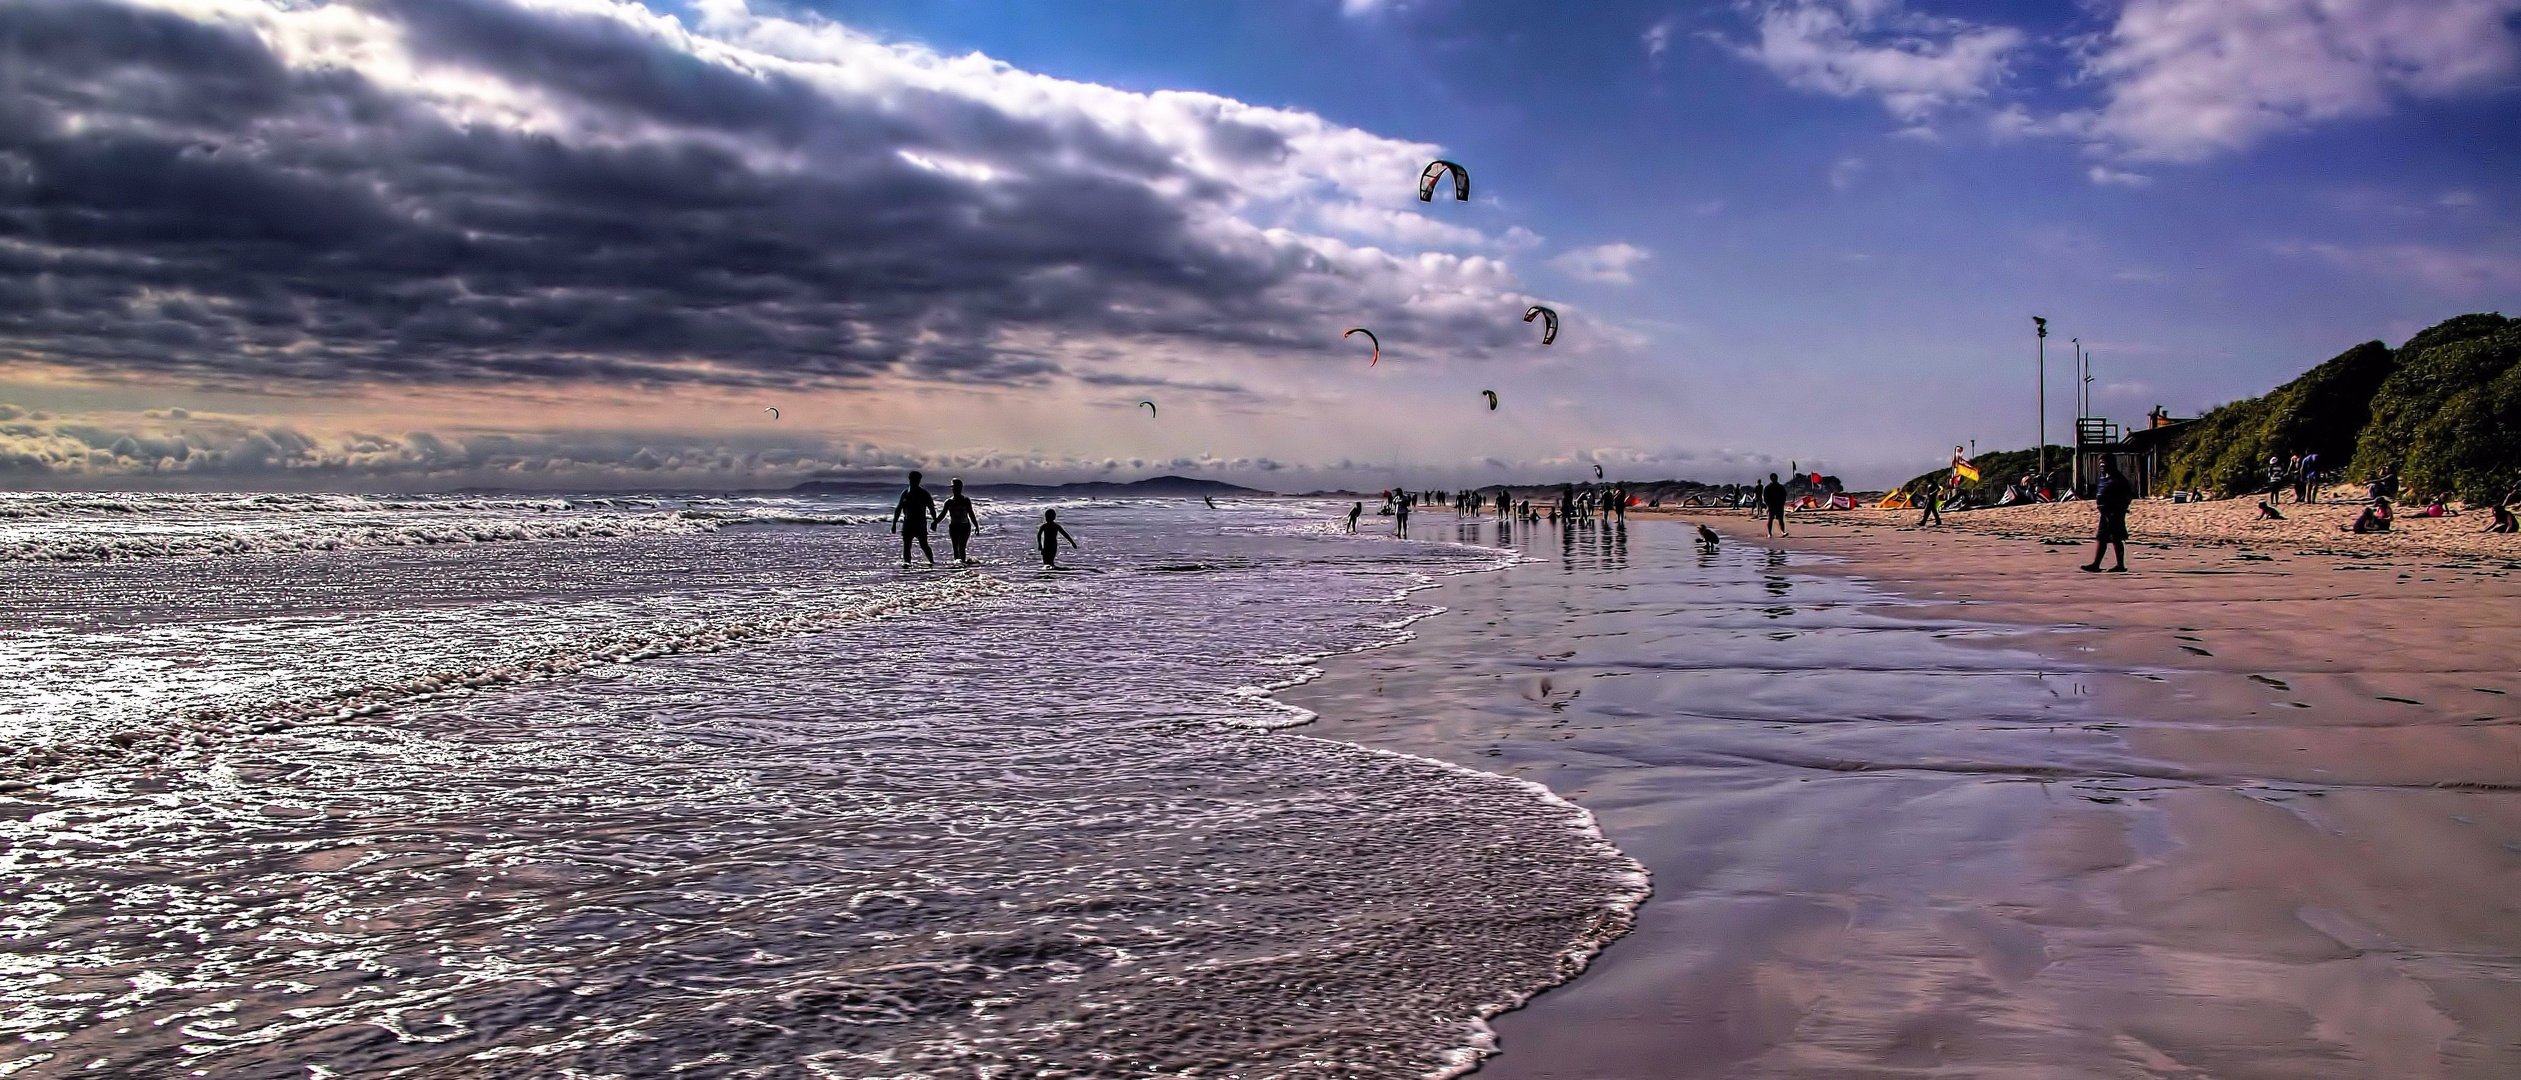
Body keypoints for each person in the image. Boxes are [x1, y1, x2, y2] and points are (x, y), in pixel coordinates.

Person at [2081, 459, 2133, 572]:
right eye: (2100, 464)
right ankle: (2096, 564)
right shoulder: (2103, 478)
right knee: (2101, 537)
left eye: (2104, 463)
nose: (2102, 466)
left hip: (2115, 513)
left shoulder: (2119, 480)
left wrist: (2120, 510)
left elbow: (2127, 496)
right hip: (2104, 513)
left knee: (2116, 538)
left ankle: (2120, 565)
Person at [890, 470, 937, 566]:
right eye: (912, 479)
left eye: (916, 480)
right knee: (907, 546)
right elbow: (898, 509)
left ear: (919, 480)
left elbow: (932, 509)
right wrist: (894, 523)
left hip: (920, 524)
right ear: (909, 479)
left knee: (924, 545)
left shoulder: (924, 493)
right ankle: (907, 564)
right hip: (908, 524)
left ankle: (932, 563)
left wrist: (934, 522)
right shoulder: (905, 493)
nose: (914, 481)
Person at [935, 477, 979, 565]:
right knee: (955, 547)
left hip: (965, 526)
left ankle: (963, 566)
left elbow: (971, 514)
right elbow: (943, 514)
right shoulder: (949, 502)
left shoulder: (966, 501)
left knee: (962, 547)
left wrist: (976, 526)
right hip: (954, 526)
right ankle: (957, 567)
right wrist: (935, 522)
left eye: (957, 487)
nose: (955, 489)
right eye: (953, 487)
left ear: (961, 488)